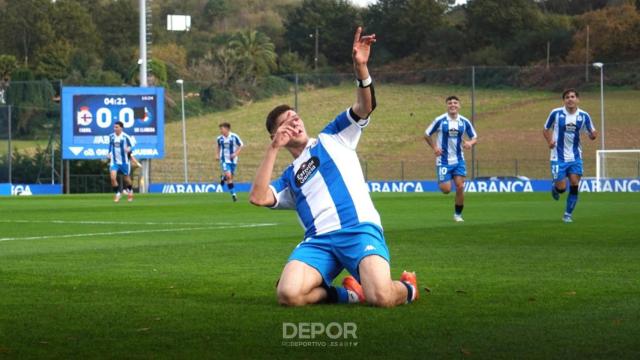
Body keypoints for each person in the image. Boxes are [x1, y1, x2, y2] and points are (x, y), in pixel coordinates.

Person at [249, 27, 418, 308]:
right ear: (276, 135)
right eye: (286, 123)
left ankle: (408, 288)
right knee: (288, 295)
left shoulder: (333, 136)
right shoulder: (289, 178)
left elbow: (365, 107)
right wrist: (273, 149)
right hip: (319, 242)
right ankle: (350, 294)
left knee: (382, 298)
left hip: (358, 229)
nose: (294, 122)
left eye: (295, 117)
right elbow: (257, 197)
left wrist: (361, 68)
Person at [543, 88, 597, 223]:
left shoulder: (584, 116)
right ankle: (555, 187)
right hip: (557, 156)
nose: (570, 99)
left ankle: (567, 214)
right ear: (564, 101)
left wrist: (592, 135)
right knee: (562, 189)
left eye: (572, 96)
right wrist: (550, 141)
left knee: (574, 184)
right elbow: (545, 129)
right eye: (567, 97)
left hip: (575, 156)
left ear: (577, 99)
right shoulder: (556, 113)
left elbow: (592, 132)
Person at [424, 96, 478, 222]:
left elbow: (474, 137)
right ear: (447, 106)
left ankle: (458, 215)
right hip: (443, 161)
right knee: (446, 190)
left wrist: (470, 143)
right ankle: (443, 180)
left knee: (460, 186)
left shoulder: (464, 122)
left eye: (455, 103)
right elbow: (426, 134)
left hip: (459, 160)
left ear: (459, 105)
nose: (452, 105)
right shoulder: (440, 120)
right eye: (450, 103)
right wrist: (435, 147)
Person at [108, 121, 135, 202]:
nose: (115, 128)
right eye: (114, 127)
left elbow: (132, 146)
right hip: (114, 161)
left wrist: (129, 149)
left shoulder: (126, 137)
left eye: (116, 127)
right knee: (112, 178)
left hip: (124, 162)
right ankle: (117, 194)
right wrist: (109, 153)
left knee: (126, 178)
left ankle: (130, 191)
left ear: (121, 128)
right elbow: (110, 145)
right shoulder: (111, 136)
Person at [216, 122, 243, 202]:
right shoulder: (219, 138)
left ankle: (223, 178)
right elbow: (218, 146)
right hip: (224, 159)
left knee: (230, 177)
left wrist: (235, 153)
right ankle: (234, 195)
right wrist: (217, 155)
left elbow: (241, 145)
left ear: (227, 129)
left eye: (222, 129)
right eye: (220, 129)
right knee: (229, 176)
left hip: (233, 160)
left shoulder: (234, 137)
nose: (221, 130)